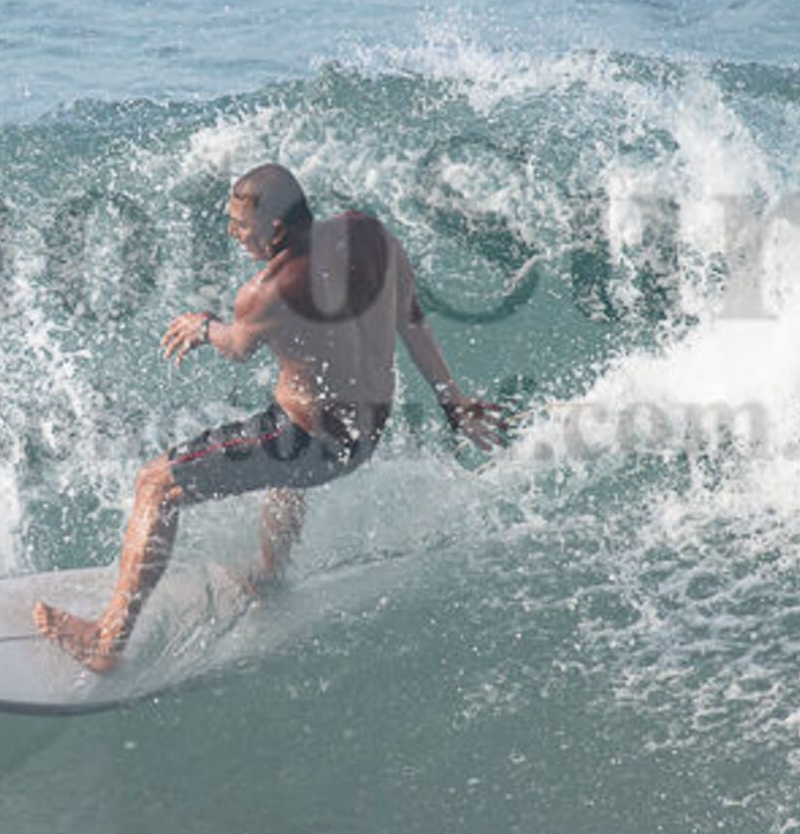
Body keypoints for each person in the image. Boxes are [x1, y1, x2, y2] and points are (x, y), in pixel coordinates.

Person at [34, 163, 509, 672]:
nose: (232, 234)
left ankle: (107, 640)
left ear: (277, 229)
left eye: (241, 225)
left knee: (155, 484)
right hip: (366, 434)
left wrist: (203, 327)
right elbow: (410, 318)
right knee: (283, 437)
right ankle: (270, 569)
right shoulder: (371, 236)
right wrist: (453, 403)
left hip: (306, 445)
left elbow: (237, 346)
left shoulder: (268, 291)